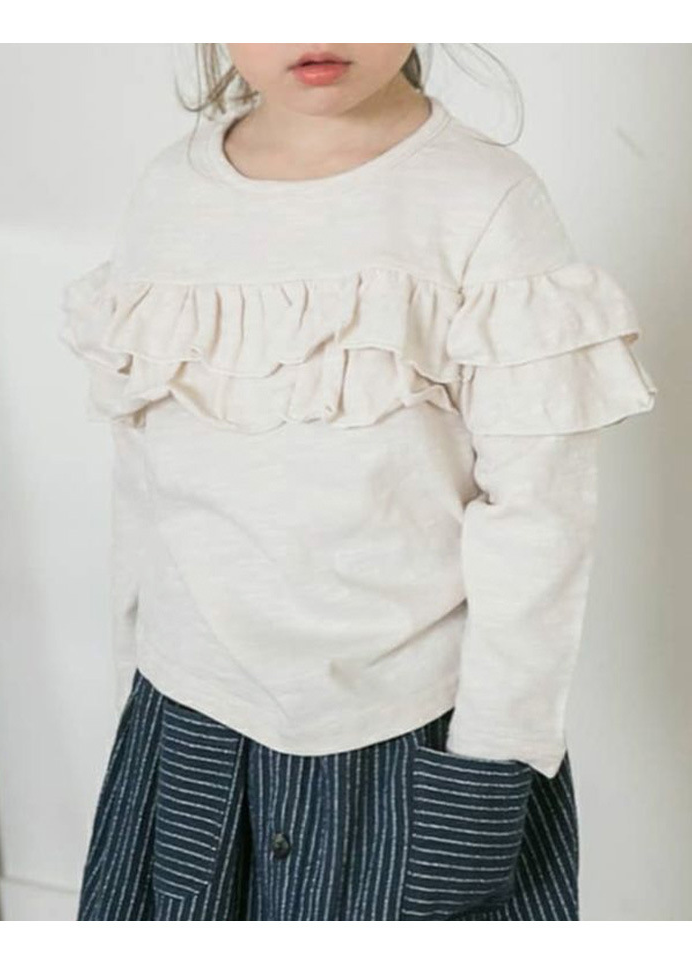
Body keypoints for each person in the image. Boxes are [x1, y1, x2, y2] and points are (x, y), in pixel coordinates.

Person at [59, 44, 657, 921]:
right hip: (189, 726)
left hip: (411, 738)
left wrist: (493, 760)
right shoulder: (168, 194)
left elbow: (540, 513)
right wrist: (132, 695)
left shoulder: (484, 201)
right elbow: (142, 478)